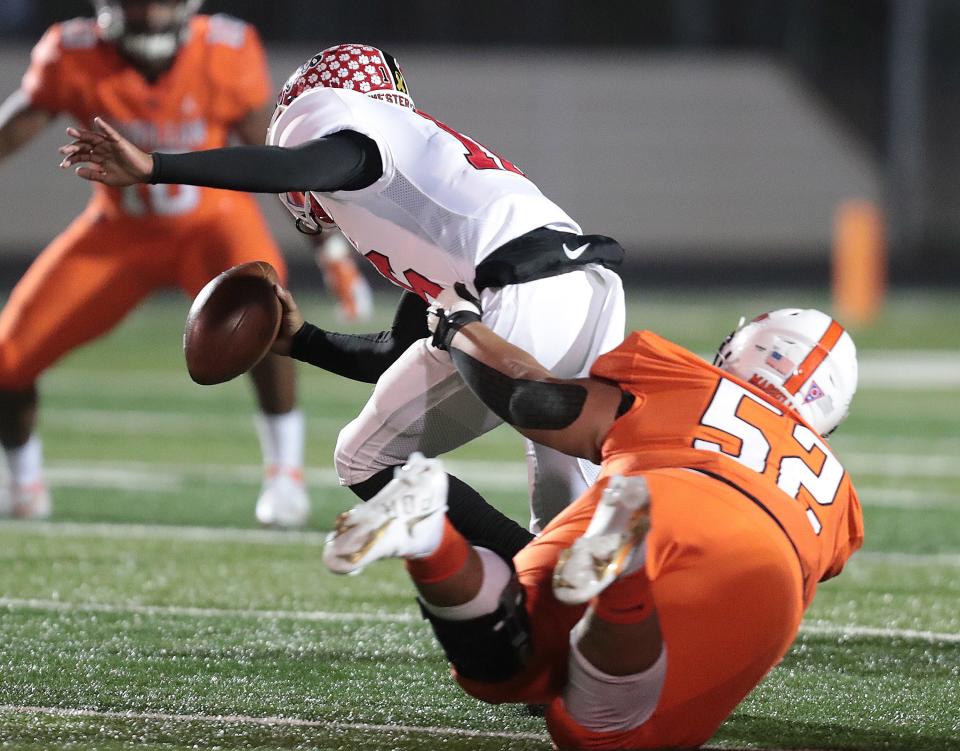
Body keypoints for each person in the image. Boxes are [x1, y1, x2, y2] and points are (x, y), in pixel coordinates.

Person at [58, 42, 628, 559]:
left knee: (363, 457)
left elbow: (309, 164)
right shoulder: (429, 180)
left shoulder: (346, 123)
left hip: (518, 295)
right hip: (588, 291)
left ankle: (526, 563)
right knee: (567, 507)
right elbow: (398, 352)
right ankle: (602, 596)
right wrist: (302, 341)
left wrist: (158, 167)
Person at [321, 293, 864, 750]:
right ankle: (623, 578)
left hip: (650, 493)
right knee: (598, 733)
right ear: (830, 411)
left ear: (736, 350)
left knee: (505, 666)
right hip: (756, 553)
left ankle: (430, 536)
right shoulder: (840, 496)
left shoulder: (686, 380)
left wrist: (461, 329)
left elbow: (533, 400)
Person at [0, 0, 319, 525]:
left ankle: (286, 474)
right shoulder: (73, 51)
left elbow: (271, 152)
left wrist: (326, 243)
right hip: (119, 233)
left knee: (267, 314)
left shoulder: (225, 49)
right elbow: (18, 123)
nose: (150, 15)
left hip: (212, 224)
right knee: (10, 358)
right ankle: (23, 484)